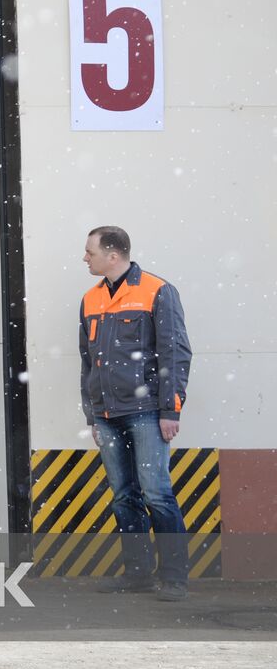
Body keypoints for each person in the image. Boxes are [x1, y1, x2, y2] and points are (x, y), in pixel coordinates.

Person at [79, 226, 192, 601]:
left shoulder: (157, 291)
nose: (85, 258)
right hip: (107, 414)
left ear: (113, 255)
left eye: (90, 252)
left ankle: (174, 578)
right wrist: (92, 415)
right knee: (123, 495)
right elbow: (87, 362)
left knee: (157, 493)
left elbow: (175, 353)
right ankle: (138, 574)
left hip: (146, 412)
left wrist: (169, 409)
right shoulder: (90, 300)